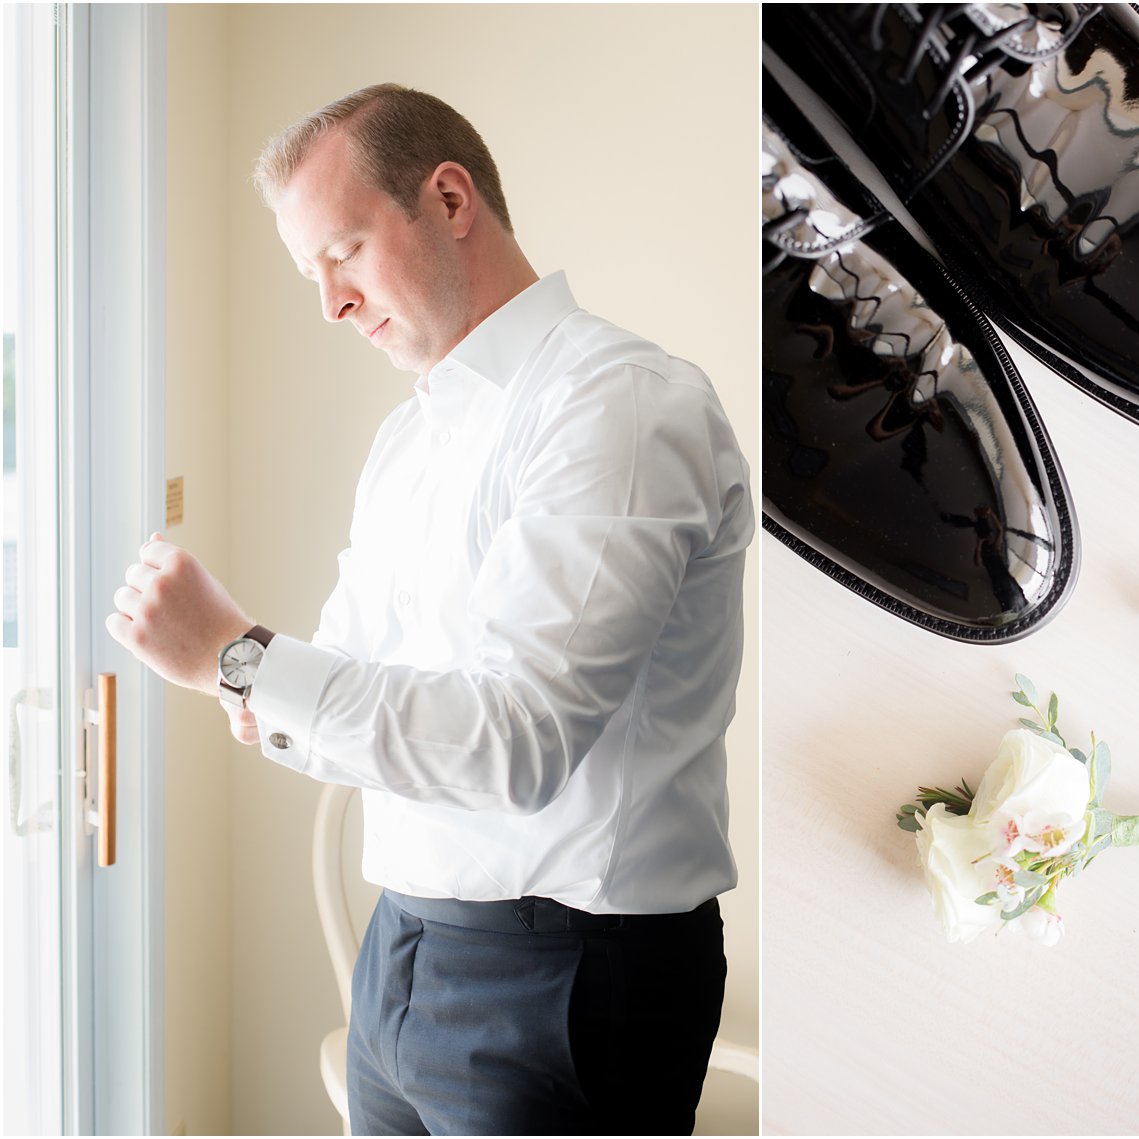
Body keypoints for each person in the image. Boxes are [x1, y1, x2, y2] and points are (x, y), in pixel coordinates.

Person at [106, 82, 753, 1136]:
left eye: (343, 252)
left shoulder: (622, 405)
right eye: (310, 273)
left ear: (450, 199)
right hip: (399, 945)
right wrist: (253, 676)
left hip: (567, 975)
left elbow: (518, 745)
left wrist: (238, 655)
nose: (331, 304)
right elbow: (348, 695)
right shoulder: (406, 442)